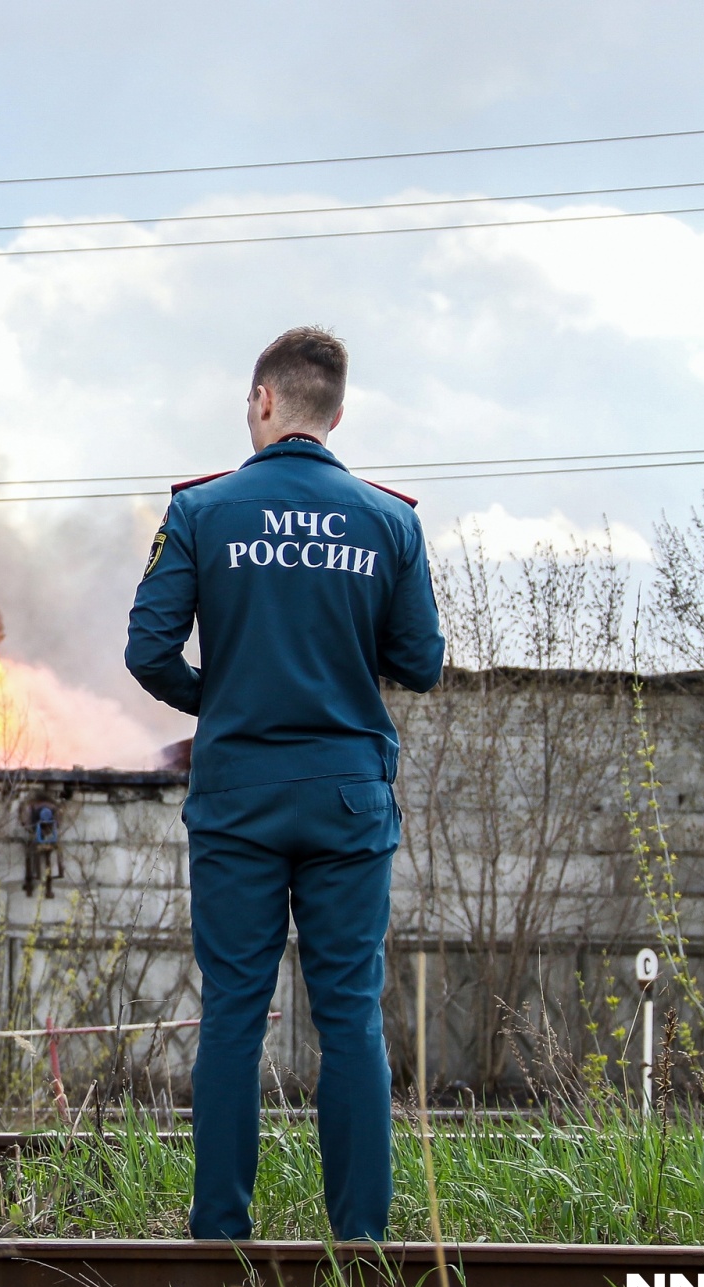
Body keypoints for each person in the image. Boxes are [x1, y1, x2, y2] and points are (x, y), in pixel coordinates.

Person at [124, 326, 444, 1241]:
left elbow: (148, 649)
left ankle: (221, 1232)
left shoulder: (201, 510)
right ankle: (362, 1245)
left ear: (262, 401)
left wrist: (217, 697)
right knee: (350, 1015)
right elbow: (421, 663)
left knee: (232, 1013)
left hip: (237, 796)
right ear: (336, 415)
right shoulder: (390, 520)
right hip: (347, 793)